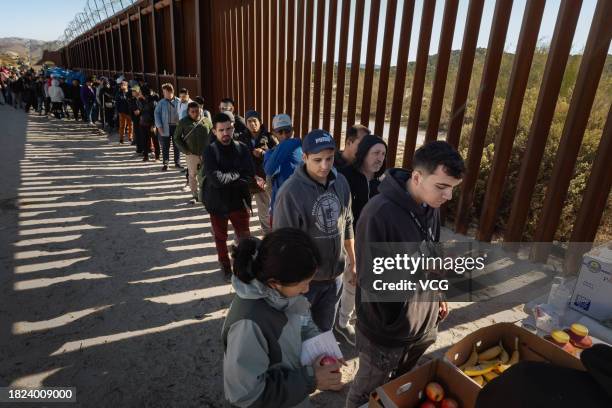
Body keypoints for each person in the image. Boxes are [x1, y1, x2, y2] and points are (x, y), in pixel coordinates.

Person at [346, 140, 465, 408]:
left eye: (453, 189)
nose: (447, 197)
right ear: (417, 177)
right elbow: (371, 280)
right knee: (366, 390)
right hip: (386, 330)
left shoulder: (430, 205)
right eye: (442, 187)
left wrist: (437, 295)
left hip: (421, 323)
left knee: (402, 385)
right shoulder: (378, 214)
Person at [222, 228, 344, 407]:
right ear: (274, 283)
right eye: (302, 284)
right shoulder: (248, 325)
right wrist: (310, 379)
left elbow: (303, 320)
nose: (306, 290)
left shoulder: (284, 293)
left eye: (309, 282)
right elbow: (246, 397)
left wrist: (321, 346)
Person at [273, 129, 355, 332]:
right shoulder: (290, 192)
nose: (325, 166)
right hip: (305, 285)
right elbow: (284, 246)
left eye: (329, 158)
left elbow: (348, 223)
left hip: (335, 277)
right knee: (300, 335)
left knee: (325, 330)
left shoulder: (342, 183)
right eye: (317, 160)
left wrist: (352, 260)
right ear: (305, 157)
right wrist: (296, 284)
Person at [335, 135, 388, 346]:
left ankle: (350, 314)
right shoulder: (345, 177)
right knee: (352, 282)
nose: (380, 158)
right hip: (348, 241)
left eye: (383, 154)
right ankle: (342, 322)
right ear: (363, 154)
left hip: (370, 242)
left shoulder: (381, 182)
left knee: (361, 284)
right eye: (375, 153)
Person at [203, 112, 256, 280]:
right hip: (217, 205)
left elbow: (249, 175)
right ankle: (225, 265)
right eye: (221, 130)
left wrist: (232, 177)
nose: (225, 133)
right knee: (220, 238)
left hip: (239, 203)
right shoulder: (210, 151)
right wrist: (237, 174)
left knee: (244, 238)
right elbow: (216, 180)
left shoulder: (242, 148)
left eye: (228, 129)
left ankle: (243, 266)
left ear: (233, 128)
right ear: (214, 131)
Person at [237, 110, 276, 233]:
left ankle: (267, 234)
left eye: (255, 121)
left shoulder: (270, 138)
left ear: (260, 122)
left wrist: (264, 154)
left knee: (264, 209)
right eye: (249, 121)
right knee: (243, 209)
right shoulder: (241, 138)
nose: (252, 124)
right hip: (246, 178)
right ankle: (243, 235)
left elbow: (277, 156)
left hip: (262, 179)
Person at [263, 114, 303, 226]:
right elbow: (269, 170)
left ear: (293, 130)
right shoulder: (270, 154)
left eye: (287, 131)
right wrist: (288, 144)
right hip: (281, 204)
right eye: (280, 132)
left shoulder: (303, 148)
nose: (284, 135)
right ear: (274, 133)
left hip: (301, 202)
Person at [174, 101, 212, 204]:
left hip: (205, 153)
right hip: (191, 154)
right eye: (193, 111)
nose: (195, 113)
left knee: (204, 175)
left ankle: (203, 196)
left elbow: (213, 135)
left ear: (201, 110)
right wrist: (185, 150)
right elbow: (176, 138)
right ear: (188, 112)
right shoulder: (183, 122)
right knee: (193, 175)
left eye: (197, 111)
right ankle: (194, 195)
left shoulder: (207, 121)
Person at [154, 83, 182, 171]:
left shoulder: (179, 101)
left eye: (165, 92)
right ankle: (166, 163)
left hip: (176, 127)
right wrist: (159, 126)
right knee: (165, 146)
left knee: (176, 145)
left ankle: (177, 162)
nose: (163, 94)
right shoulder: (161, 102)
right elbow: (156, 114)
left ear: (170, 92)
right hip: (165, 127)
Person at [139, 88, 159, 162]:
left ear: (144, 93)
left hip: (151, 124)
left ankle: (157, 157)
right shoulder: (141, 101)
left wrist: (153, 125)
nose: (139, 93)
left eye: (140, 92)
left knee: (155, 141)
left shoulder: (152, 102)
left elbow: (155, 115)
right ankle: (145, 156)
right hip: (143, 123)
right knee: (144, 140)